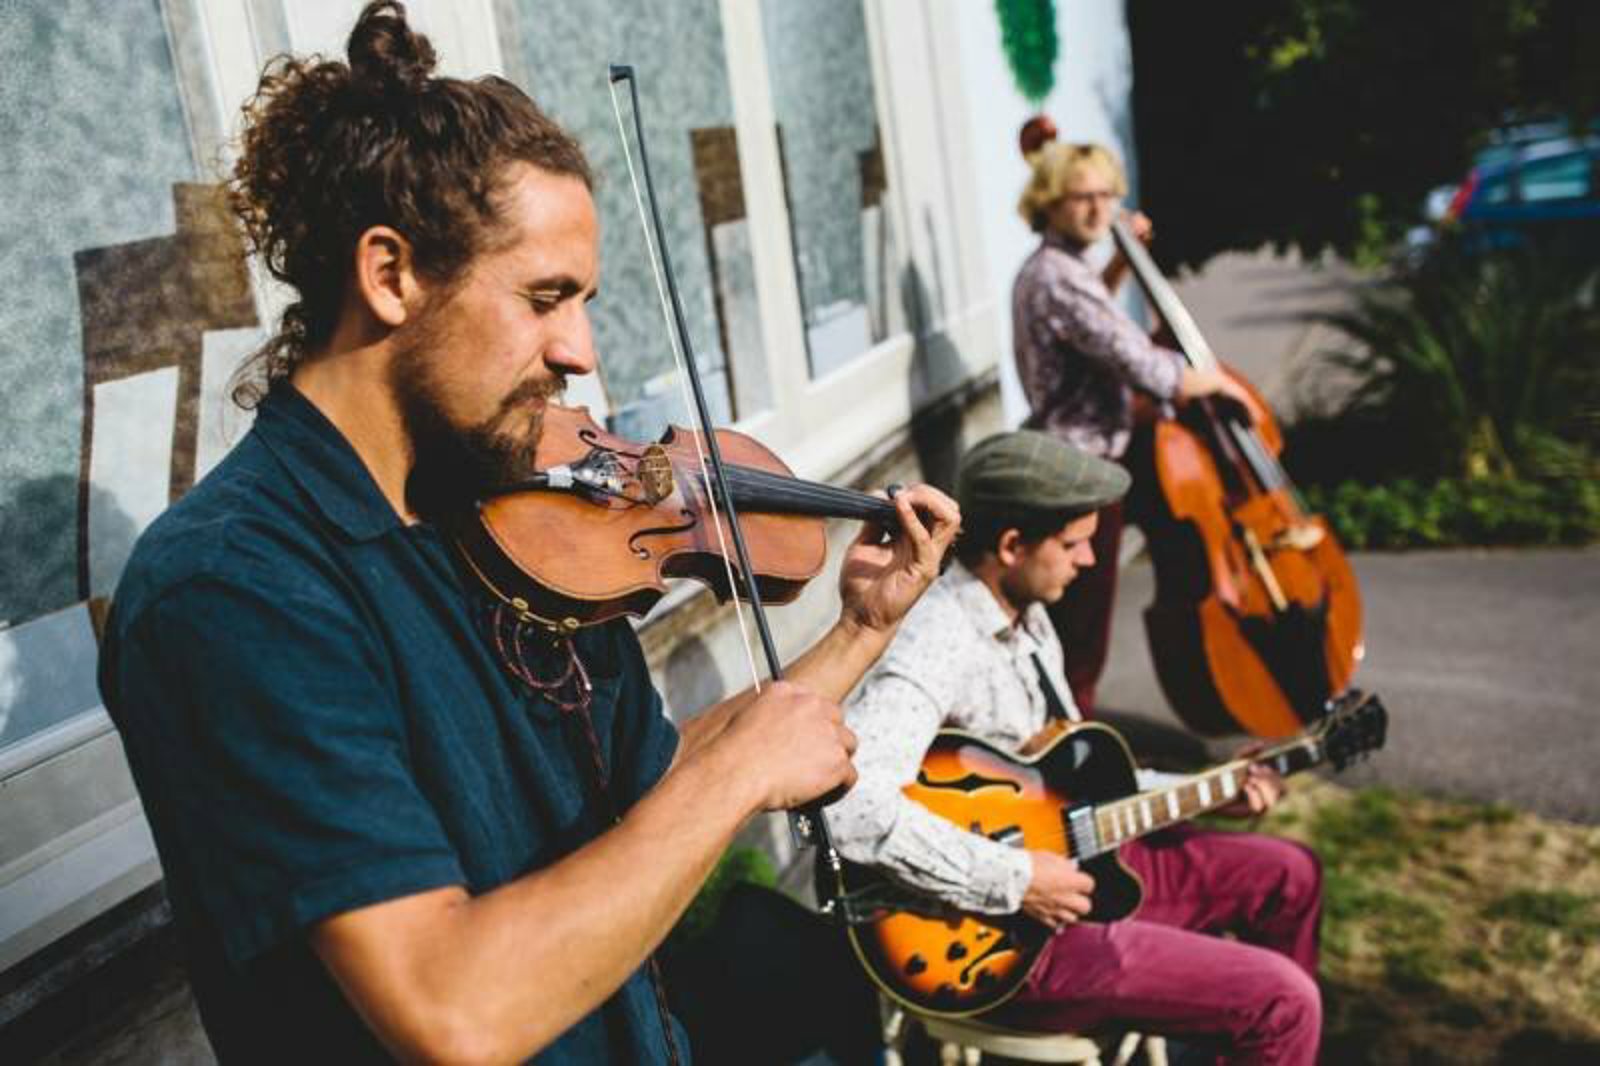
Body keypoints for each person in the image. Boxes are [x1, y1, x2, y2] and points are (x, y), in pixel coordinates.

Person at [95, 4, 960, 1063]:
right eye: (546, 298)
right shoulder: (234, 589)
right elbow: (449, 1006)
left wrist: (856, 635)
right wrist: (737, 778)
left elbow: (639, 793)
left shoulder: (509, 512)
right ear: (391, 274)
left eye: (584, 299)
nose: (581, 352)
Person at [829, 430, 1323, 1065]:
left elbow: (1073, 781)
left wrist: (1210, 791)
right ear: (1011, 546)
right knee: (1285, 1003)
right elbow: (850, 806)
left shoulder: (1028, 618)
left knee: (1290, 876)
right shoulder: (938, 639)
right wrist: (1014, 879)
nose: (1090, 560)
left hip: (1082, 861)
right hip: (997, 939)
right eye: (1073, 544)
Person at [1012, 134, 1254, 712]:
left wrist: (1119, 265)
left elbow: (1093, 321)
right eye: (1080, 198)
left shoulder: (1062, 268)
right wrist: (1210, 379)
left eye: (1106, 195)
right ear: (1049, 202)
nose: (1099, 209)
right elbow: (1138, 361)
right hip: (1084, 469)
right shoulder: (1056, 276)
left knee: (1081, 624)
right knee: (1081, 634)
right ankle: (1073, 753)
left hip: (1091, 452)